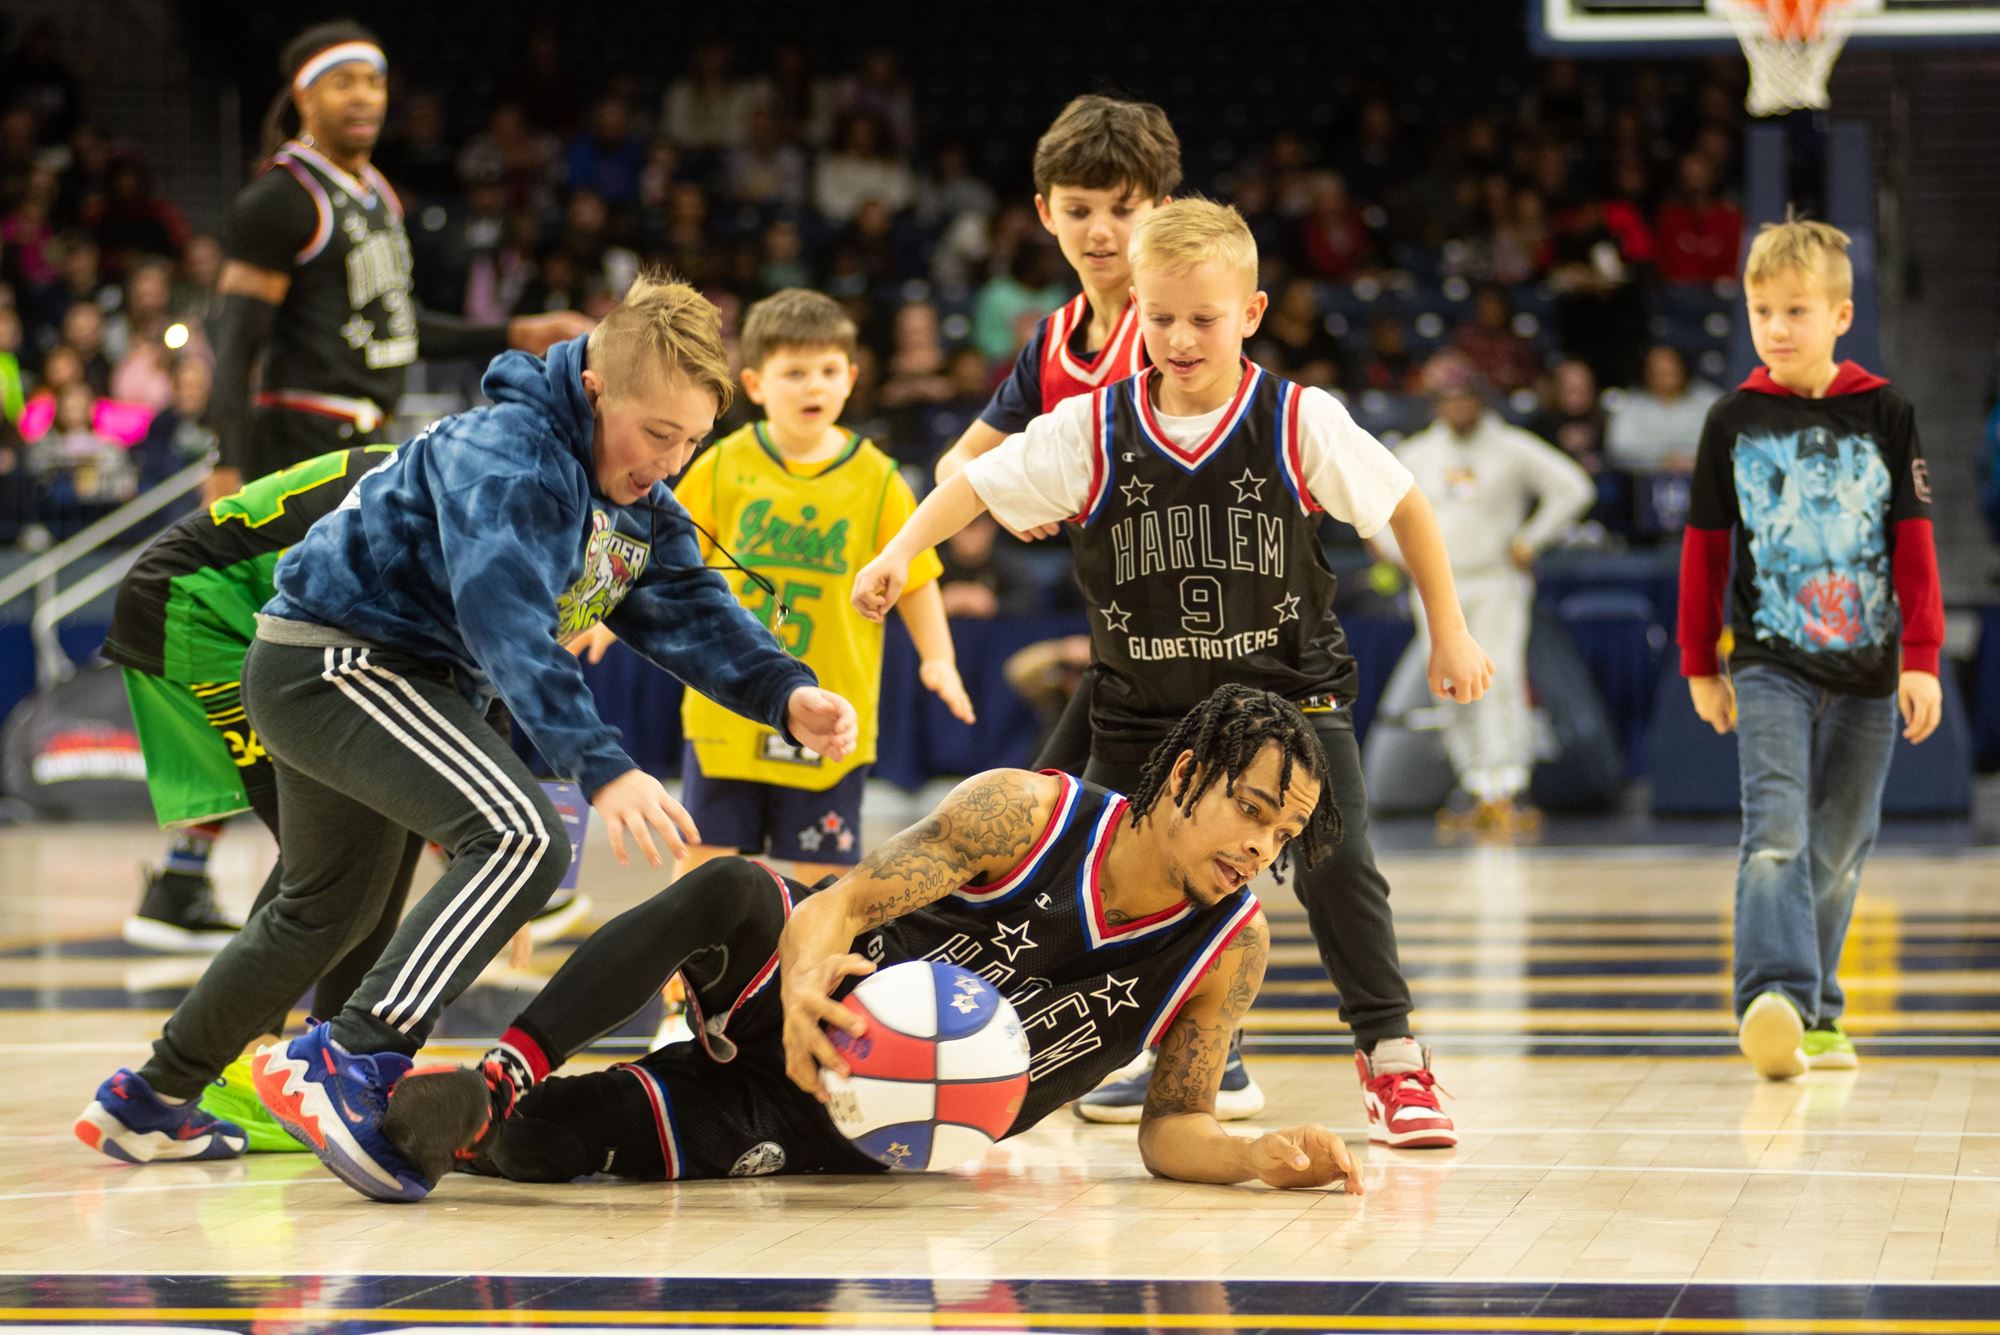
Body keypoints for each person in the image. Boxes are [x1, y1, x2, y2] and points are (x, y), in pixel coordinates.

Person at [74, 274, 861, 1204]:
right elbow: (506, 624)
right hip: (337, 662)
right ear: (598, 386)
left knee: (319, 911)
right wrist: (603, 767)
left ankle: (149, 1097)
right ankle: (351, 1057)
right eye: (659, 435)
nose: (673, 462)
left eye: (692, 441)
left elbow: (687, 602)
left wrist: (784, 689)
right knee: (525, 838)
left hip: (386, 676)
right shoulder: (514, 453)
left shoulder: (637, 495)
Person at [853, 200, 1494, 1148]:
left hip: (1287, 701)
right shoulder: (1092, 428)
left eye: (1203, 317)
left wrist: (1450, 630)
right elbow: (976, 484)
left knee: (1339, 863)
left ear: (1252, 311)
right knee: (1075, 878)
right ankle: (1045, 1040)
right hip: (1148, 714)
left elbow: (1405, 508)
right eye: (1160, 318)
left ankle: (1393, 1059)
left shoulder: (1297, 417)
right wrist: (903, 549)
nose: (1180, 337)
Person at [386, 686, 1362, 1196]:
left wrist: (1252, 1157)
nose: (1257, 846)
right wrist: (807, 980)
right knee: (731, 885)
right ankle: (499, 1070)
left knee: (545, 1147)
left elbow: (1168, 1128)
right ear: (1186, 773)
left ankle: (427, 1115)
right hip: (804, 1002)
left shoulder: (1229, 947)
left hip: (847, 1133)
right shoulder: (1023, 815)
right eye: (1251, 810)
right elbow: (839, 904)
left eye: (1281, 836)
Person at [161, 22, 592, 934]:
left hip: (367, 442)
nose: (364, 96)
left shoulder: (377, 197)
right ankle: (191, 863)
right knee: (308, 654)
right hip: (294, 440)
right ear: (304, 95)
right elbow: (234, 338)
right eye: (343, 81)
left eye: (376, 81)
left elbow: (400, 329)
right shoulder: (281, 200)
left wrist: (509, 332)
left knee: (376, 650)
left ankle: (198, 869)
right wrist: (229, 461)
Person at [1679, 218, 1945, 1080]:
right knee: (1776, 834)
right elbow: (1704, 549)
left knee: (1841, 842)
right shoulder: (1732, 420)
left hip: (1871, 668)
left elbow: (1914, 545)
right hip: (1767, 663)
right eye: (1762, 311)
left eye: (1796, 309)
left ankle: (1819, 1012)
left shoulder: (1887, 413)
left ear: (1841, 315)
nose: (1778, 327)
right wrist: (1699, 662)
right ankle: (1772, 998)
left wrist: (1923, 656)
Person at [670, 288, 972, 884]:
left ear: (851, 378)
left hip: (832, 714)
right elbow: (663, 559)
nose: (814, 386)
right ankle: (680, 977)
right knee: (704, 868)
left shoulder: (878, 478)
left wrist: (939, 657)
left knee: (823, 880)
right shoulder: (723, 464)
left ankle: (808, 977)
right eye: (795, 372)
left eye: (828, 371)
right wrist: (604, 615)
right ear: (754, 384)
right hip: (729, 710)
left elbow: (915, 580)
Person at [1376, 354, 1595, 832]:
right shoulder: (1417, 453)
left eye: (1464, 397)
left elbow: (1574, 488)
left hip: (1496, 579)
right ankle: (1474, 784)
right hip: (1438, 586)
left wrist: (1530, 540)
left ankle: (1507, 784)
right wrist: (1399, 556)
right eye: (1447, 398)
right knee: (1448, 685)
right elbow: (1377, 508)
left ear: (1480, 399)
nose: (1456, 406)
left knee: (1499, 677)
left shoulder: (1512, 447)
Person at [1607, 343, 1722, 475]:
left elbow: (1722, 445)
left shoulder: (1710, 400)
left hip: (1702, 477)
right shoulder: (1629, 405)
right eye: (1658, 371)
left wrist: (1689, 459)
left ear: (1683, 368)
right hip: (1643, 483)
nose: (1664, 376)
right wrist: (1660, 460)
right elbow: (1619, 448)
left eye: (1669, 371)